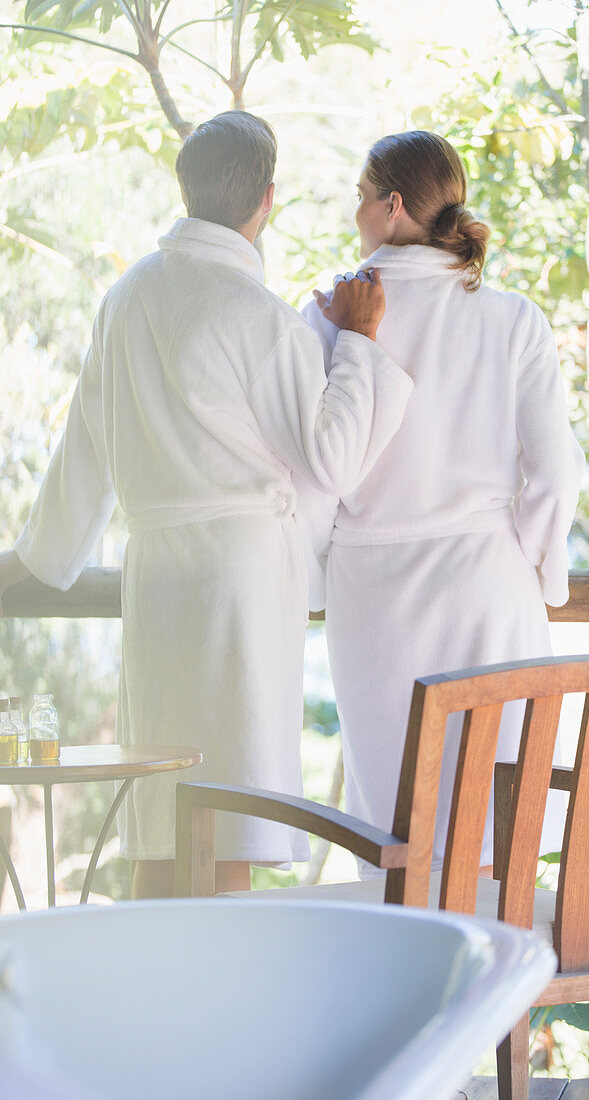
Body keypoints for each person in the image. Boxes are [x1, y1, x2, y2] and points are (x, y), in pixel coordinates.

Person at [0, 111, 414, 898]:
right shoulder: (258, 317)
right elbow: (332, 455)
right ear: (267, 198)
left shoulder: (126, 298)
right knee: (229, 807)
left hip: (157, 575)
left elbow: (84, 452)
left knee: (161, 802)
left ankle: (148, 997)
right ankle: (216, 1005)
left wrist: (35, 559)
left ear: (185, 186)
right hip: (239, 577)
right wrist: (360, 344)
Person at [300, 129, 585, 869]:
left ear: (391, 207)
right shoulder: (512, 317)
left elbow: (310, 471)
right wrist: (526, 566)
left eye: (359, 198)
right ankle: (500, 975)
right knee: (496, 815)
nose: (354, 214)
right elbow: (557, 472)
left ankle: (408, 978)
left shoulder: (332, 313)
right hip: (486, 585)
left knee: (393, 821)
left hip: (372, 598)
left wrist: (316, 568)